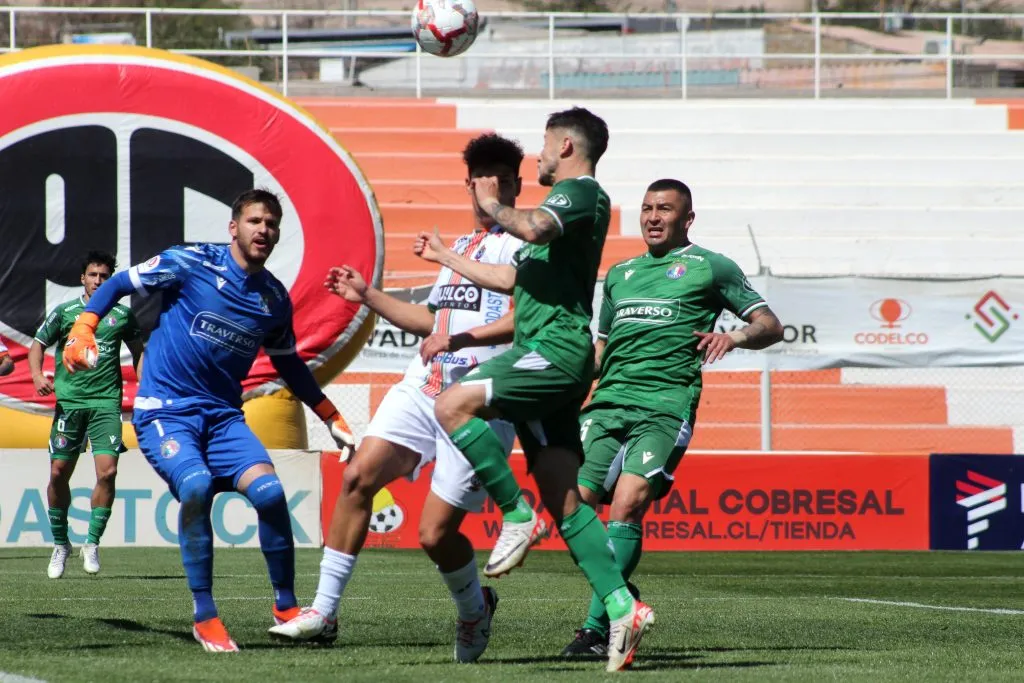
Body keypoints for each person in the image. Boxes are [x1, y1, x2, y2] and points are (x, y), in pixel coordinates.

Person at [62, 189, 356, 653]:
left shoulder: (274, 299)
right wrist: (84, 327)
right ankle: (205, 616)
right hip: (166, 413)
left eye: (272, 224)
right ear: (233, 227)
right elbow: (119, 284)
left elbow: (290, 363)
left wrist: (330, 413)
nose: (264, 230)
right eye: (256, 220)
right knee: (196, 487)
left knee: (271, 493)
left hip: (222, 419)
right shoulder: (190, 262)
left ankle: (286, 607)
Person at [269, 133, 525, 663]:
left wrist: (458, 340)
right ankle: (324, 610)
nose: (492, 188)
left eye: (503, 179)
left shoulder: (529, 245)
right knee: (359, 474)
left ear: (518, 186)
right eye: (483, 179)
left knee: (434, 535)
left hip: (480, 399)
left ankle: (475, 606)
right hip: (424, 383)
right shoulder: (462, 246)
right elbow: (432, 322)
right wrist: (367, 295)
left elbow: (524, 319)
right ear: (469, 186)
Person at [428, 107, 653, 672]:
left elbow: (530, 227)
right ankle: (623, 607)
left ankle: (514, 514)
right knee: (568, 500)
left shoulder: (578, 193)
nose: (539, 155)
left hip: (553, 351)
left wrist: (489, 204)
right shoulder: (557, 213)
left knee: (451, 404)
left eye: (546, 145)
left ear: (569, 147)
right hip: (550, 354)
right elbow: (511, 277)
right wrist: (447, 256)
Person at [561, 179, 784, 656]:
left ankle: (597, 630)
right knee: (572, 505)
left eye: (665, 209)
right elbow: (601, 350)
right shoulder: (620, 274)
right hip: (607, 403)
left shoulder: (711, 267)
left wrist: (735, 337)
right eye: (646, 208)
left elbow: (770, 325)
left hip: (665, 404)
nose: (653, 217)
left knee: (627, 502)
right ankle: (623, 594)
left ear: (688, 219)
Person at [28, 251, 143, 578]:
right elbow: (37, 345)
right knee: (57, 474)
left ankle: (91, 543)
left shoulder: (122, 315)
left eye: (104, 276)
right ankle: (61, 543)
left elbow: (139, 353)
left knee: (107, 472)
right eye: (93, 275)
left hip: (106, 404)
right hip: (70, 404)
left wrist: (145, 387)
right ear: (83, 278)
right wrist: (38, 376)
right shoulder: (66, 313)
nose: (98, 281)